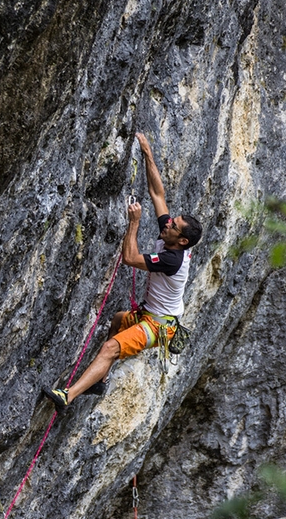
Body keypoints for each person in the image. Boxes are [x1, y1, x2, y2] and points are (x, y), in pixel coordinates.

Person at [43, 133, 202, 408]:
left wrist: (134, 222)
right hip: (151, 316)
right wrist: (148, 154)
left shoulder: (172, 261)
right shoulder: (172, 239)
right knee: (118, 320)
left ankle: (67, 396)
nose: (166, 224)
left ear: (182, 241)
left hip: (157, 326)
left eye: (173, 226)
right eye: (171, 222)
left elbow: (129, 257)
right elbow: (157, 194)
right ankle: (100, 380)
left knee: (110, 348)